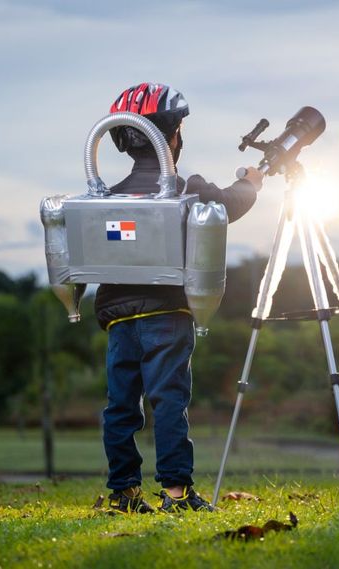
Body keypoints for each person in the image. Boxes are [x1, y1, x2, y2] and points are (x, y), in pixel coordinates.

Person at [95, 83, 263, 513]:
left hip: (117, 319)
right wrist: (251, 182)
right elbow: (227, 205)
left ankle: (124, 494)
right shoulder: (187, 186)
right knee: (168, 400)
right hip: (167, 315)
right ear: (173, 135)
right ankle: (176, 493)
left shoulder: (109, 198)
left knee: (120, 406)